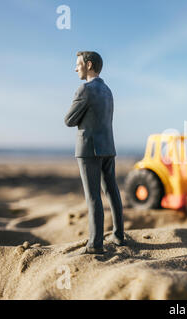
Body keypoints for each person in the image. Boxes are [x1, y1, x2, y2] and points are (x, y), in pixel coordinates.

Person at [65, 51, 125, 254]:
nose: (75, 68)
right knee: (112, 191)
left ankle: (95, 244)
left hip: (89, 149)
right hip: (108, 147)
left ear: (88, 64)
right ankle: (118, 235)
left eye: (78, 64)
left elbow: (69, 120)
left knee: (93, 197)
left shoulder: (85, 89)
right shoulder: (108, 91)